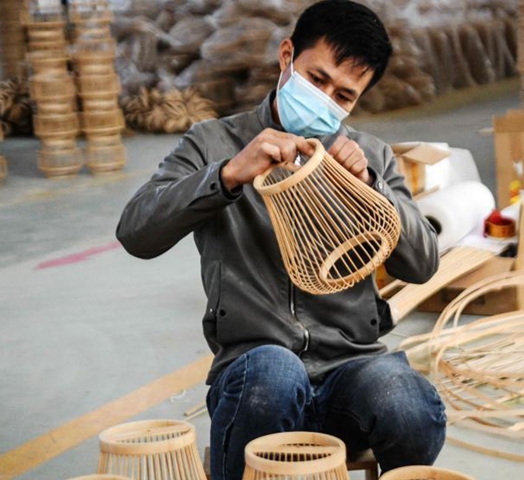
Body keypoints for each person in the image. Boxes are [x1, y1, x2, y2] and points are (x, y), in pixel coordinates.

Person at [116, 1, 445, 478]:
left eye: (344, 96)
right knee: (273, 373)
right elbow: (135, 231)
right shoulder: (213, 143)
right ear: (286, 56)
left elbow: (423, 264)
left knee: (408, 401)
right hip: (256, 376)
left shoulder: (368, 156)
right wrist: (227, 176)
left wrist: (370, 191)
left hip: (349, 370)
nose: (326, 100)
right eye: (316, 79)